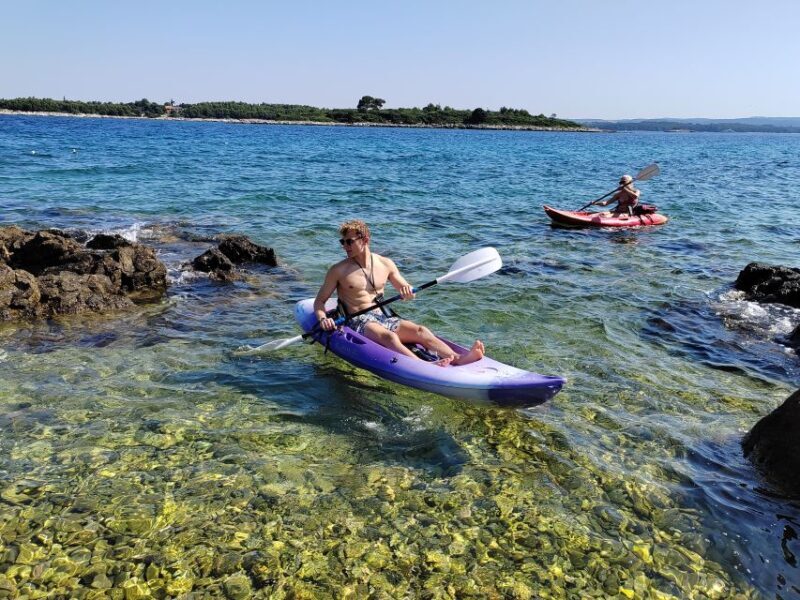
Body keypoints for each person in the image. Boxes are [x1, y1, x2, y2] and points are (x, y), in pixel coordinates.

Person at [314, 220, 484, 367]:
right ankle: (425, 366)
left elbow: (406, 289)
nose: (345, 246)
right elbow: (320, 302)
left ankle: (459, 359)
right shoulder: (338, 270)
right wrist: (323, 319)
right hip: (357, 321)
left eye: (349, 241)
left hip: (383, 316)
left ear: (365, 240)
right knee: (389, 337)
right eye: (342, 242)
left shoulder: (385, 263)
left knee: (420, 330)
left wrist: (407, 292)